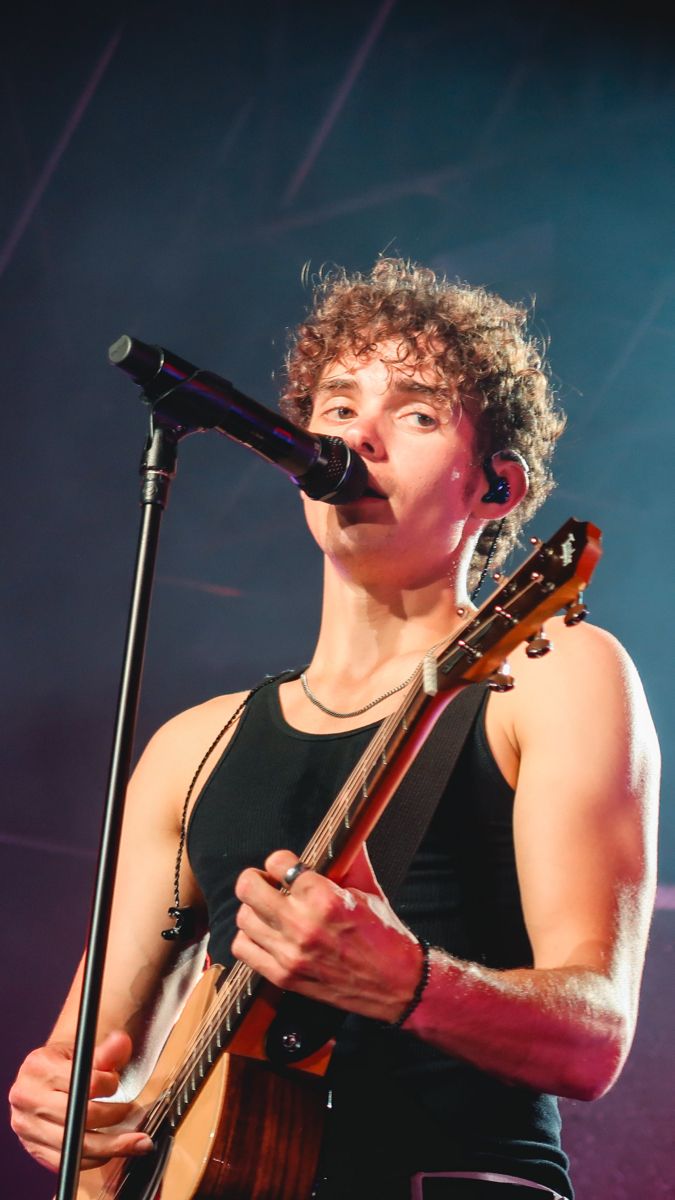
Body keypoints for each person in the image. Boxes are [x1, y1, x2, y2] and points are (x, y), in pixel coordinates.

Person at [9, 259, 659, 1199]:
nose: (358, 434)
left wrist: (407, 979)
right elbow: (93, 1064)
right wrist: (60, 1103)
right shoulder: (191, 748)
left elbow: (593, 1040)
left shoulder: (550, 672)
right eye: (337, 403)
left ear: (496, 488)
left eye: (418, 412)